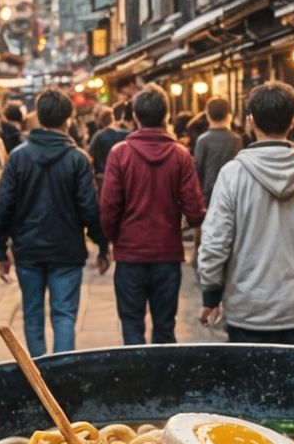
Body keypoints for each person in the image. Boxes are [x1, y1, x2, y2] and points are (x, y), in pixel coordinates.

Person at [197, 81, 294, 345]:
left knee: (251, 387)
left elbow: (215, 242)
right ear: (293, 122)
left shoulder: (233, 175)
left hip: (246, 312)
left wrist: (211, 295)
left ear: (251, 122)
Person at [0, 87, 109, 356]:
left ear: (38, 117)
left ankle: (39, 381)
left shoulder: (18, 157)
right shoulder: (77, 159)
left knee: (32, 316)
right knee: (64, 315)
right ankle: (62, 379)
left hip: (28, 250)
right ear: (68, 118)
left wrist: (1, 249)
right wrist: (102, 245)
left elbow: (4, 206)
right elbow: (89, 209)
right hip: (67, 250)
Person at [100, 84, 207, 344]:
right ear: (166, 116)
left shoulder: (120, 154)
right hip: (167, 255)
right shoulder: (181, 155)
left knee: (132, 326)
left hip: (130, 255)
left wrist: (116, 239)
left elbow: (108, 207)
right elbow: (195, 208)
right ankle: (162, 382)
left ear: (135, 116)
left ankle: (136, 382)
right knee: (165, 328)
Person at [193, 97, 242, 203]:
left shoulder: (203, 140)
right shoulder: (236, 139)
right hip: (232, 193)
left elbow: (198, 170)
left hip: (209, 195)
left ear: (207, 116)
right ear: (229, 116)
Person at [87, 101, 132, 196]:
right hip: (124, 176)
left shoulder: (97, 136)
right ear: (113, 118)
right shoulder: (126, 134)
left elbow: (89, 157)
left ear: (100, 121)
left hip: (103, 177)